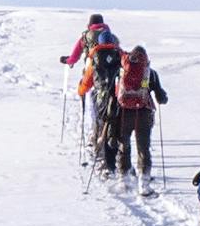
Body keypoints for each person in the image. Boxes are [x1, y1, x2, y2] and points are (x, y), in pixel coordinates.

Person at [60, 16, 124, 171]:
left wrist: (68, 61)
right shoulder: (113, 38)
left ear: (90, 24)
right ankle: (113, 150)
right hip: (114, 85)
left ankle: (96, 140)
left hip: (94, 78)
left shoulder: (86, 36)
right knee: (111, 116)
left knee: (94, 112)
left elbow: (74, 56)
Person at [114, 45, 168, 190]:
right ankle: (143, 182)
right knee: (143, 147)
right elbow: (161, 97)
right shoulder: (150, 73)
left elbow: (116, 93)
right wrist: (161, 97)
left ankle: (123, 178)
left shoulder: (122, 71)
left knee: (123, 145)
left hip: (124, 114)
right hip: (143, 113)